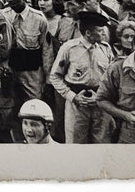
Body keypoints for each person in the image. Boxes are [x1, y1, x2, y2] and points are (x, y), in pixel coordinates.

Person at [49, 10, 118, 143]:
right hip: (77, 105)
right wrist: (73, 97)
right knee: (76, 142)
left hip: (100, 103)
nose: (104, 33)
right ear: (88, 33)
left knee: (102, 142)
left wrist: (100, 97)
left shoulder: (105, 48)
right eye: (100, 30)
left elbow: (110, 78)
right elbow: (55, 76)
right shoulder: (69, 48)